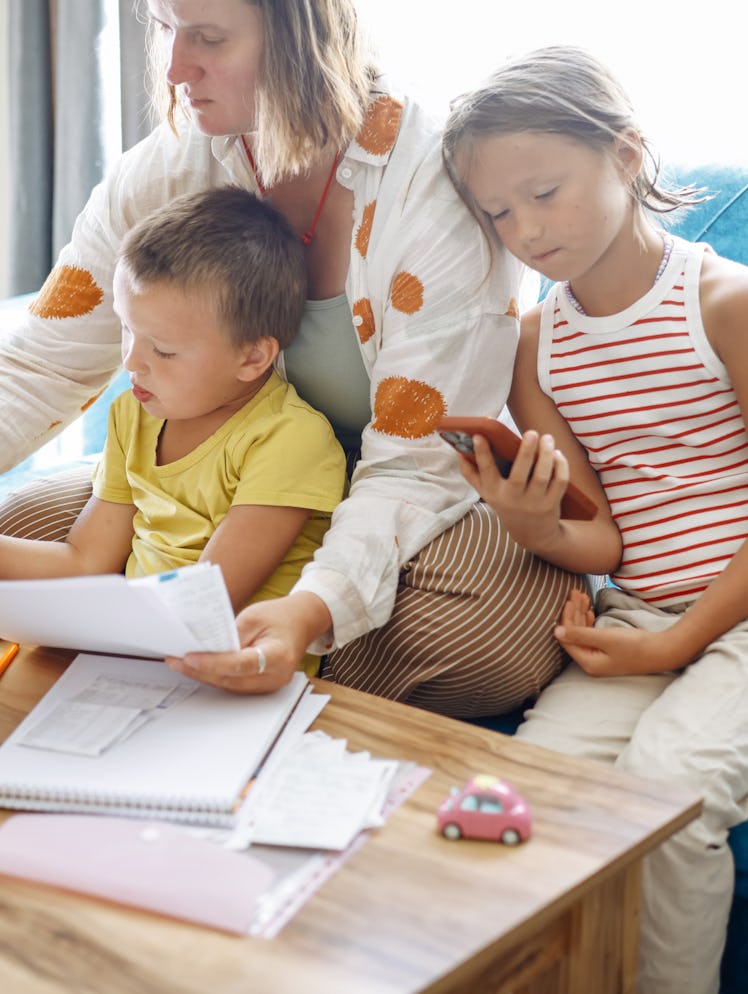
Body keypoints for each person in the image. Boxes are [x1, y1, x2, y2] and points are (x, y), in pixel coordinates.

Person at [0, 0, 582, 715]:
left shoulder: (432, 191)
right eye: (164, 32)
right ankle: (222, 635)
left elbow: (410, 470)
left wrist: (312, 606)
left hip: (409, 489)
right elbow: (42, 361)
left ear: (303, 40)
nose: (177, 70)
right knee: (19, 530)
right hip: (228, 481)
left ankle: (258, 639)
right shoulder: (172, 165)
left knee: (478, 641)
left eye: (209, 39)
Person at [442, 44, 748, 994]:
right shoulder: (538, 345)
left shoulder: (725, 305)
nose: (525, 230)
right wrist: (535, 528)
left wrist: (679, 641)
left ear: (626, 155)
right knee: (526, 791)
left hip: (732, 615)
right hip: (642, 613)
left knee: (670, 791)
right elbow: (607, 540)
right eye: (498, 213)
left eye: (544, 192)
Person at [0, 185, 346, 676]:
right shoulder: (134, 416)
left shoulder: (290, 440)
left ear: (252, 357)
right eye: (126, 329)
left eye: (162, 350)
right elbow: (84, 559)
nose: (131, 361)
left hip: (229, 669)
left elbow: (209, 599)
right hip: (135, 653)